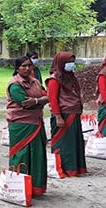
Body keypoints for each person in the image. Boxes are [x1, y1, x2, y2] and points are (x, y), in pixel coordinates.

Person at [7, 56, 49, 196]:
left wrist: (37, 100)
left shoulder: (35, 82)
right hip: (21, 124)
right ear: (17, 68)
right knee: (22, 155)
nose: (27, 68)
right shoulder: (15, 84)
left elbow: (47, 96)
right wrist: (40, 101)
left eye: (29, 66)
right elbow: (24, 103)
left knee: (37, 155)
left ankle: (36, 187)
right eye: (23, 66)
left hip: (36, 122)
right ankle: (18, 188)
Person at [46, 52, 86, 176]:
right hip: (63, 114)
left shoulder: (70, 76)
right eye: (69, 62)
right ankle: (63, 167)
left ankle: (75, 167)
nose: (71, 64)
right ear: (61, 62)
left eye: (73, 61)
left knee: (74, 142)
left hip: (74, 113)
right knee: (64, 143)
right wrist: (58, 116)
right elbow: (52, 99)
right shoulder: (55, 79)